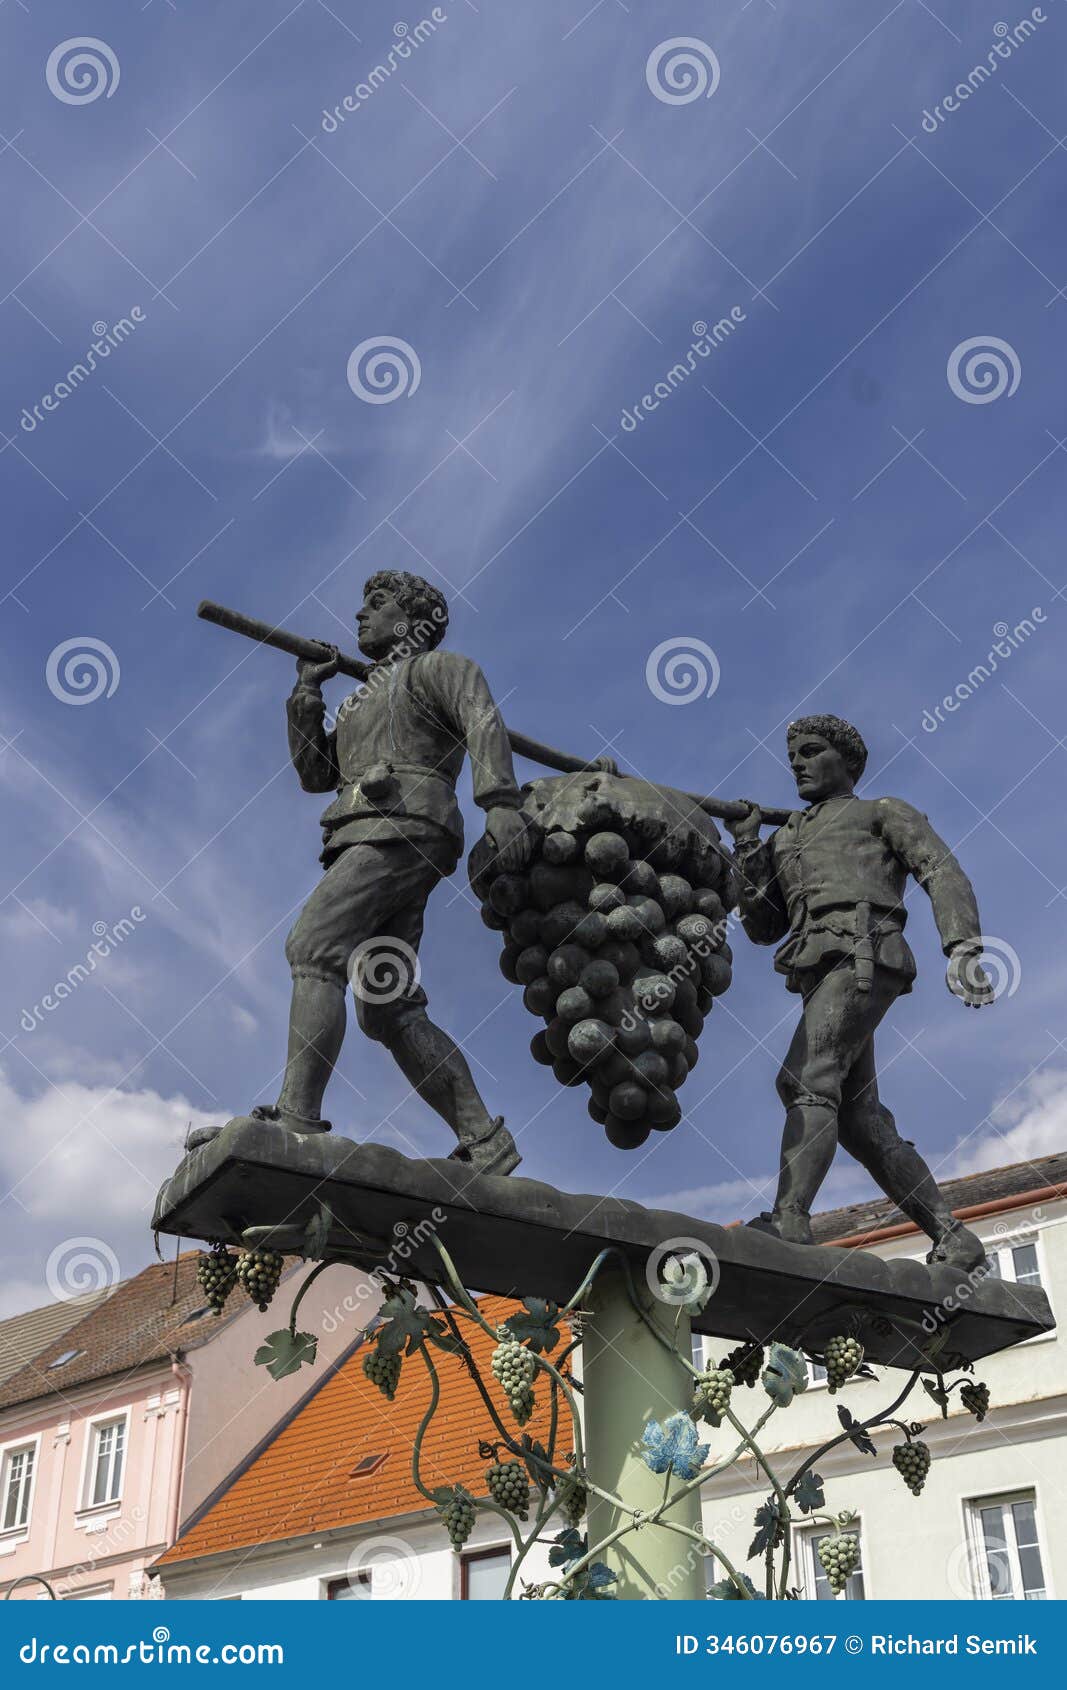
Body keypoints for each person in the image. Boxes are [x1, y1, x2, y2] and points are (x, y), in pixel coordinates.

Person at [193, 570, 531, 1174]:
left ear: (412, 620)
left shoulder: (440, 669)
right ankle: (484, 1141)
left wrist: (500, 805)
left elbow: (484, 724)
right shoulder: (358, 699)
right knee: (388, 1003)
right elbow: (315, 775)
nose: (359, 616)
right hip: (364, 834)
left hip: (404, 828)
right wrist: (307, 696)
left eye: (377, 605)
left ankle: (296, 1120)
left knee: (314, 946)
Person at [726, 714, 994, 1269]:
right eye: (792, 755)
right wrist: (749, 847)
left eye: (811, 750)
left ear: (849, 762)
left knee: (805, 1077)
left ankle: (791, 1221)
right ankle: (952, 1236)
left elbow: (939, 869)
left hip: (865, 953)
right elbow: (763, 927)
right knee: (858, 1119)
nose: (797, 762)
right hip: (819, 967)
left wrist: (962, 945)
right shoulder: (787, 837)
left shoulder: (881, 813)